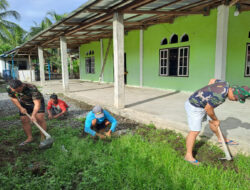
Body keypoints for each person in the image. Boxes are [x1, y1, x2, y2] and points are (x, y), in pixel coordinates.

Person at [184, 79, 250, 165]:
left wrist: (208, 92)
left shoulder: (225, 83)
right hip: (195, 105)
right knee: (195, 131)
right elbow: (208, 109)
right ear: (234, 92)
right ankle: (188, 156)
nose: (235, 101)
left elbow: (212, 80)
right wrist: (215, 119)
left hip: (204, 104)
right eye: (236, 98)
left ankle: (221, 139)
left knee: (213, 122)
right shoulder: (220, 96)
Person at [6, 79, 47, 146]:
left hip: (35, 101)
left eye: (17, 91)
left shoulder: (31, 88)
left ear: (21, 86)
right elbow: (13, 98)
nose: (16, 92)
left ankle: (43, 138)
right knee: (24, 119)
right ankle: (29, 138)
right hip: (24, 102)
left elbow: (37, 103)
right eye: (14, 91)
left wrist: (33, 115)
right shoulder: (9, 88)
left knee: (40, 117)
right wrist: (20, 107)